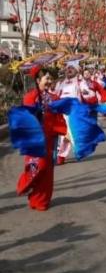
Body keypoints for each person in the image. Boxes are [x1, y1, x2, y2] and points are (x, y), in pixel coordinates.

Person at [16, 68, 64, 210]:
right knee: (38, 166)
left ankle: (40, 200)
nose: (49, 81)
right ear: (38, 81)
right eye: (46, 79)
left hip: (49, 138)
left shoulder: (54, 98)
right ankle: (25, 185)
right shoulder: (30, 97)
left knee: (47, 171)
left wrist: (64, 131)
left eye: (50, 79)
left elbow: (59, 118)